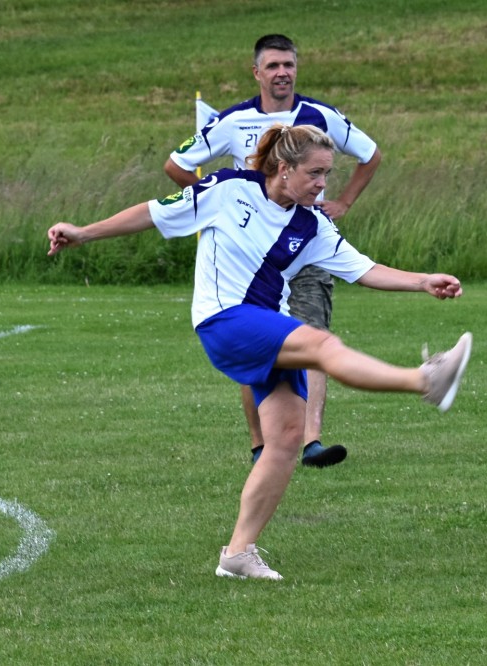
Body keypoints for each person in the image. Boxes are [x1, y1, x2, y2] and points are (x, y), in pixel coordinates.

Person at [49, 124, 472, 580]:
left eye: (327, 174)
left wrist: (423, 280)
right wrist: (83, 233)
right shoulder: (228, 188)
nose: (322, 184)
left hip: (267, 325)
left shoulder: (312, 224)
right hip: (224, 319)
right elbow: (152, 213)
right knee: (322, 344)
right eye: (314, 173)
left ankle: (237, 554)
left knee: (287, 439)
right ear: (284, 168)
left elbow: (364, 269)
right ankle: (424, 381)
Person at [165, 34, 382, 469]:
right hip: (254, 257)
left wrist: (344, 202)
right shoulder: (233, 121)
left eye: (289, 65)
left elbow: (371, 155)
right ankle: (260, 444)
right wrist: (217, 205)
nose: (283, 73)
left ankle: (312, 441)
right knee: (258, 340)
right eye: (273, 66)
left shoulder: (320, 115)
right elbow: (176, 164)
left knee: (313, 333)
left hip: (307, 245)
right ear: (257, 73)